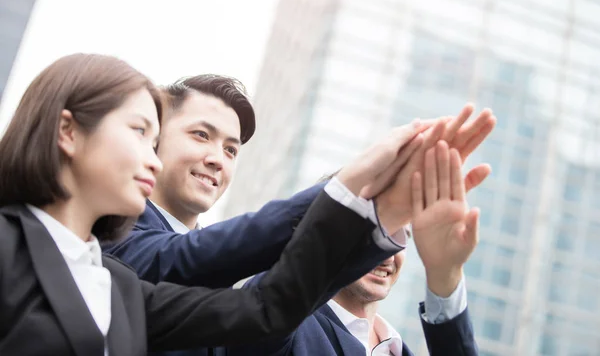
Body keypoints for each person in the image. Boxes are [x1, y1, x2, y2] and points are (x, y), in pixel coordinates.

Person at [0, 53, 440, 356]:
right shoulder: (20, 245)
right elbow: (189, 257)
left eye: (232, 149)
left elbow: (266, 310)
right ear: (68, 132)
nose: (149, 156)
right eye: (140, 132)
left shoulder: (114, 284)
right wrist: (347, 186)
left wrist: (383, 211)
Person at [104, 75, 496, 356]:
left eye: (232, 149)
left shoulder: (396, 345)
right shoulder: (106, 236)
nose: (217, 158)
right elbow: (196, 258)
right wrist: (360, 196)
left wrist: (443, 278)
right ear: (153, 141)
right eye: (201, 135)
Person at [229, 141, 480, 355]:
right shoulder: (291, 328)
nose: (386, 253)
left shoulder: (398, 348)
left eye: (399, 236)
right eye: (370, 232)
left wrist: (444, 273)